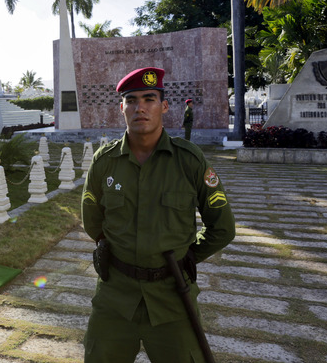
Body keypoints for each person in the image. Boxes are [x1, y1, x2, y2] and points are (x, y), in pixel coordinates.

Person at [81, 67, 235, 362]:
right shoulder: (104, 162)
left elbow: (223, 227)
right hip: (115, 297)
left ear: (164, 106)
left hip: (173, 298)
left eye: (149, 99)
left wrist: (188, 256)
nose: (140, 107)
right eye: (132, 99)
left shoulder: (189, 160)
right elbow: (92, 220)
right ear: (121, 108)